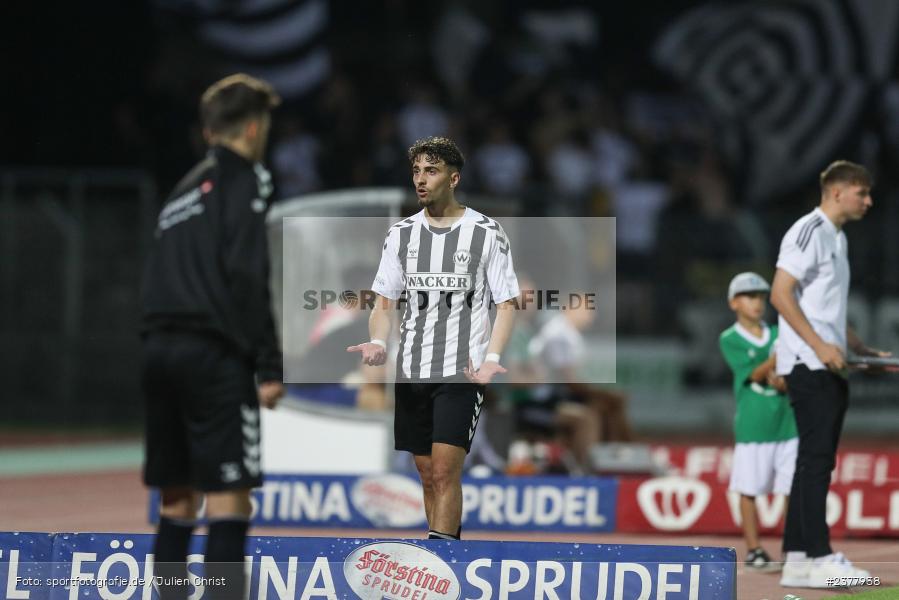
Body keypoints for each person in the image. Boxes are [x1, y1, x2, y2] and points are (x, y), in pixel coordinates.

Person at [140, 74, 285, 600]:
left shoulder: (180, 191)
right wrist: (267, 364)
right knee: (229, 500)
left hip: (158, 350)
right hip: (212, 354)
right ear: (252, 127)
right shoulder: (248, 177)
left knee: (176, 502)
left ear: (207, 131)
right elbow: (247, 272)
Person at [347, 136, 519, 540]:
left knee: (444, 470)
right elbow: (384, 302)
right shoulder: (400, 235)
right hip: (411, 369)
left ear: (453, 178)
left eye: (432, 171)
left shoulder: (486, 232)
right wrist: (379, 342)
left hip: (462, 370)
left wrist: (492, 356)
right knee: (426, 474)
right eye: (417, 171)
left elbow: (508, 303)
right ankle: (447, 553)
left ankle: (439, 566)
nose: (421, 180)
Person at [771, 160, 887, 589]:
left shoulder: (837, 239)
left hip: (827, 362)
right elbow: (781, 294)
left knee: (812, 463)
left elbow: (823, 307)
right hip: (808, 363)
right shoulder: (809, 231)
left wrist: (854, 344)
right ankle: (820, 558)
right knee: (817, 462)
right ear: (838, 192)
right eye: (863, 192)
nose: (869, 201)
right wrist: (819, 346)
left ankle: (799, 558)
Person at [719, 272, 796, 571]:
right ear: (734, 303)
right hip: (754, 423)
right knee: (748, 487)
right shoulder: (730, 339)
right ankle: (754, 549)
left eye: (761, 297)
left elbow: (789, 373)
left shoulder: (780, 332)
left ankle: (793, 548)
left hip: (787, 421)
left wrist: (784, 382)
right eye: (750, 297)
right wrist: (776, 361)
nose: (757, 303)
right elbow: (751, 373)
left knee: (791, 488)